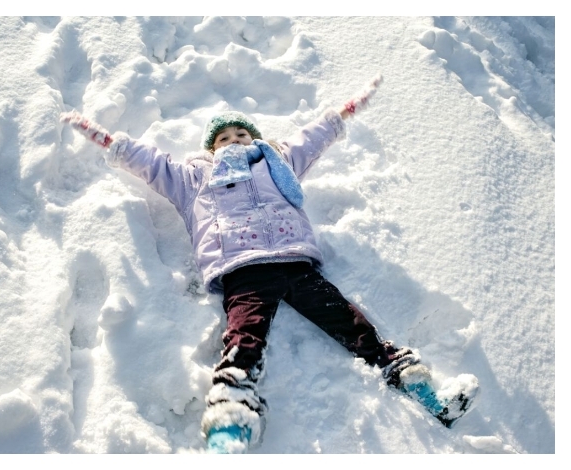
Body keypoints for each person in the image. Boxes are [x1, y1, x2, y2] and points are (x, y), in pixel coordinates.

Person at [61, 75, 478, 453]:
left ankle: (412, 381)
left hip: (297, 262)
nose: (235, 139)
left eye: (242, 133)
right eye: (224, 137)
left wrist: (344, 112)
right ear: (211, 148)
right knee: (245, 332)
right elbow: (151, 164)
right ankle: (230, 415)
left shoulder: (276, 162)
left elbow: (311, 139)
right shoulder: (194, 177)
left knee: (349, 321)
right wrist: (105, 139)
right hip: (243, 267)